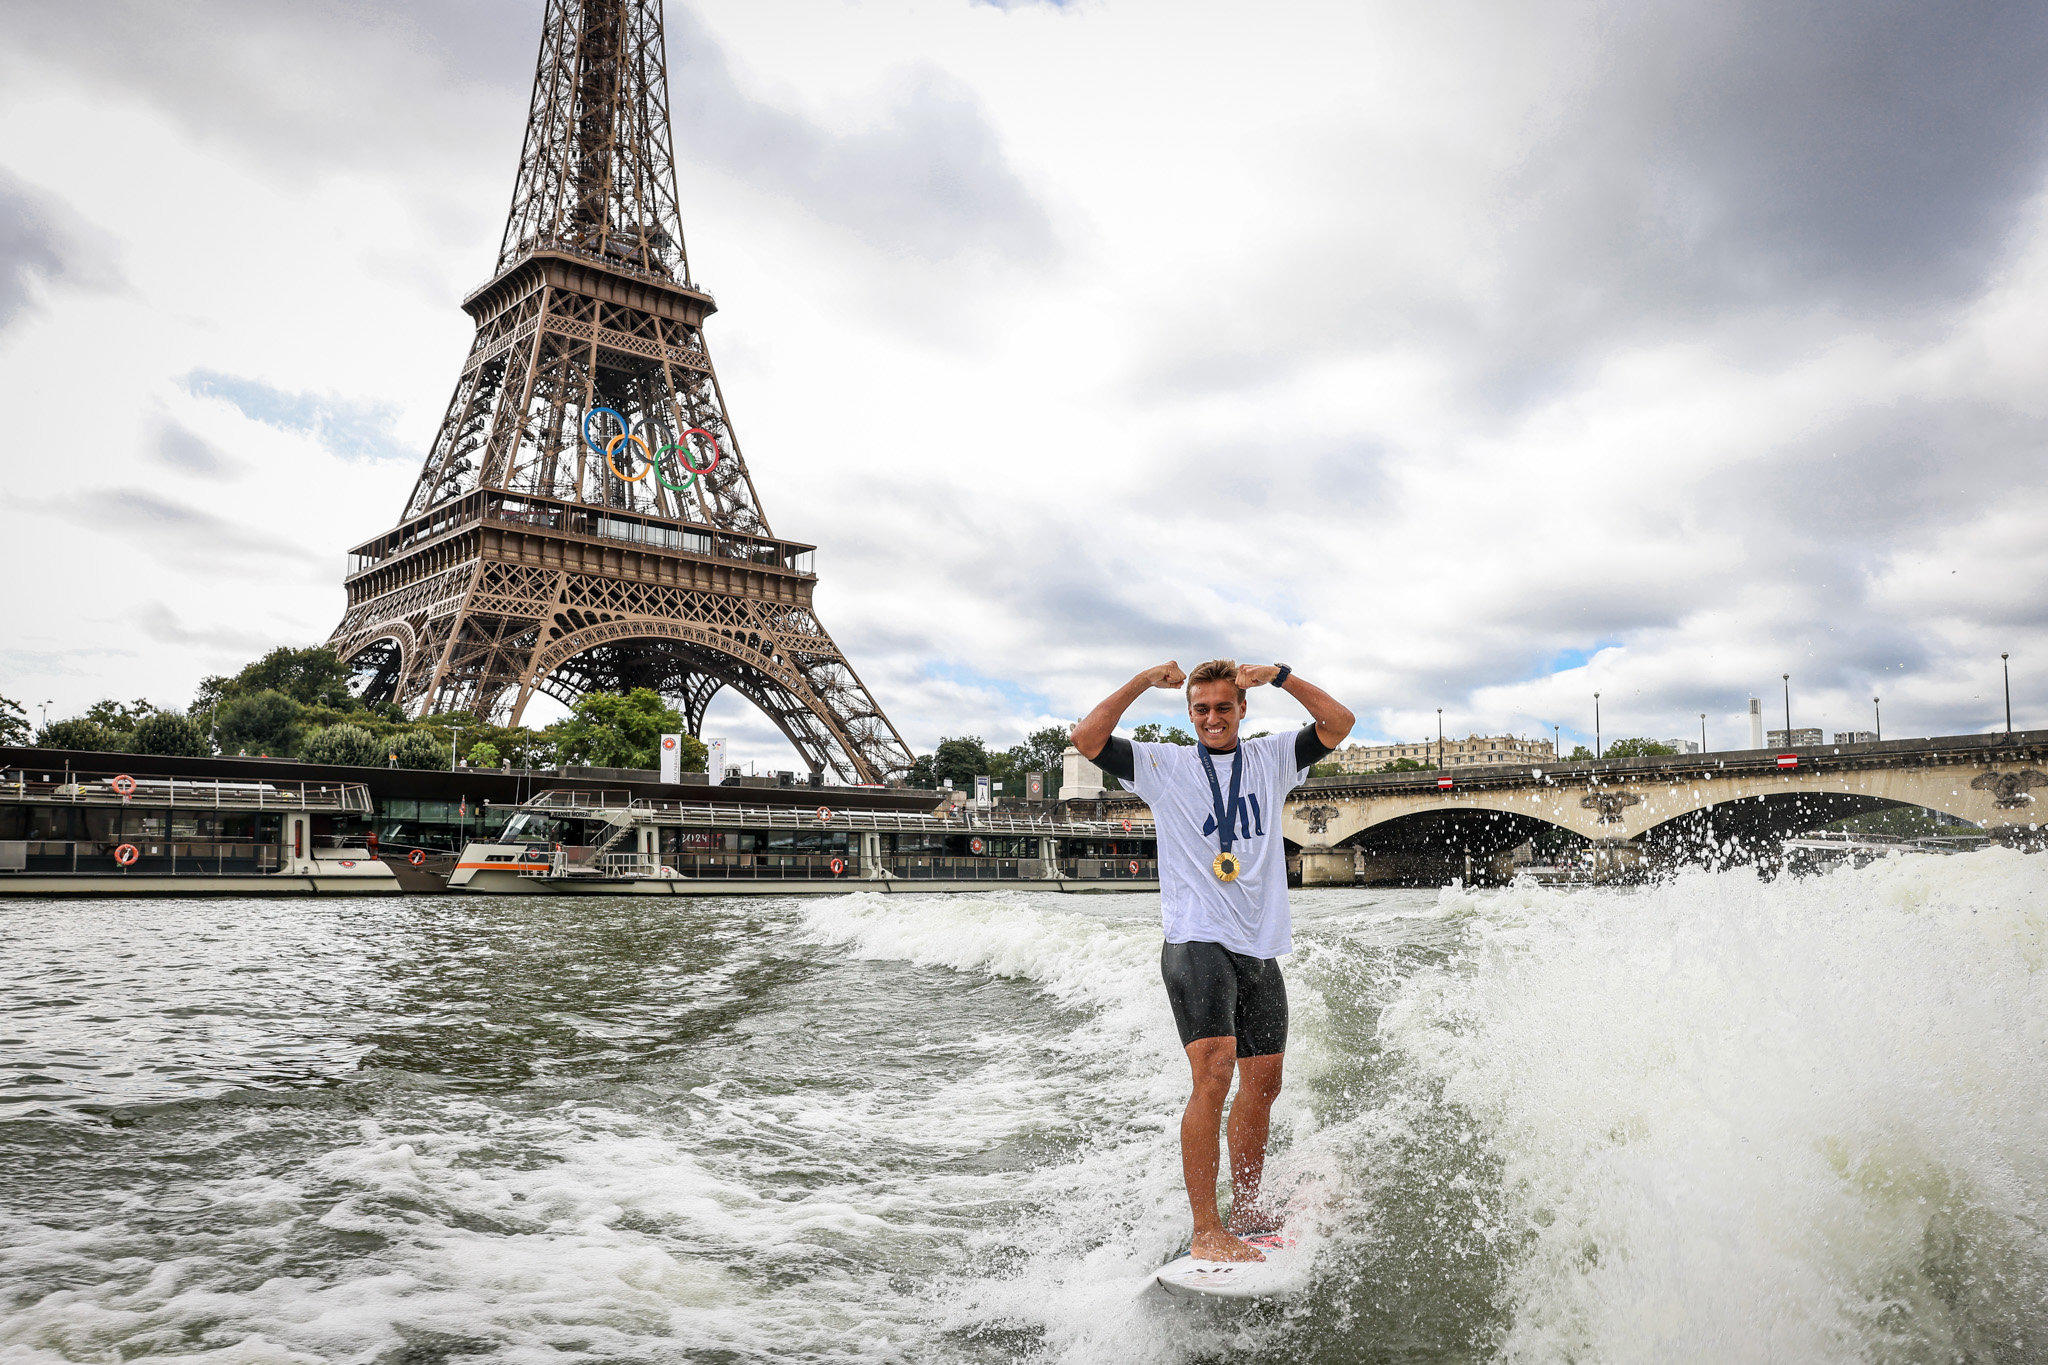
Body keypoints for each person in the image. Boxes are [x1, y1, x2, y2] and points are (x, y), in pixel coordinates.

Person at [1074, 659, 1354, 1263]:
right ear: (1189, 713)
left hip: (1258, 943)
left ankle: (1248, 1206)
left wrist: (1280, 675)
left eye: (1223, 707)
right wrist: (1143, 682)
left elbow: (1339, 721)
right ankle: (1207, 1227)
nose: (1212, 719)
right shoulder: (1163, 764)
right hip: (1196, 937)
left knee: (1265, 1082)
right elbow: (1087, 738)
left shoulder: (1273, 757)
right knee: (1215, 1073)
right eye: (1200, 709)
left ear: (1242, 709)